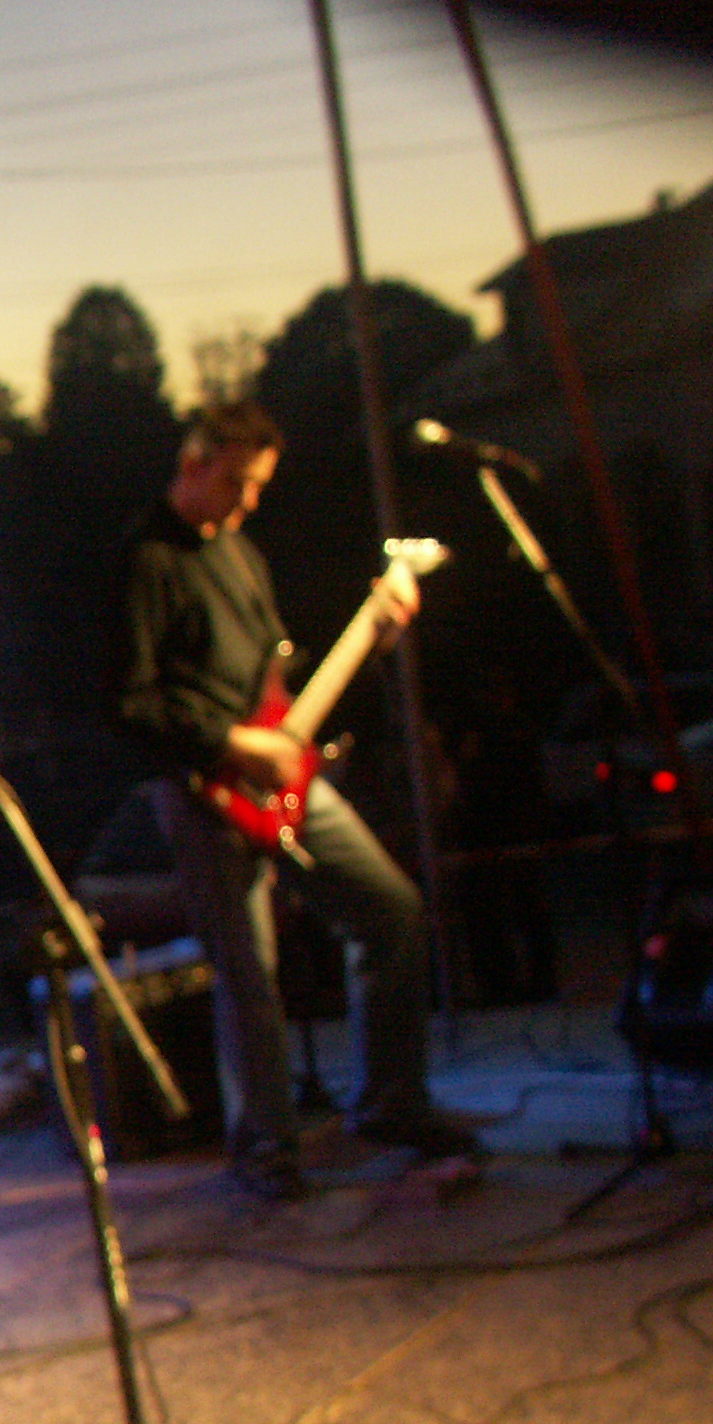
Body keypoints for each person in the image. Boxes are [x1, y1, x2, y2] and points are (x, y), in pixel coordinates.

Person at [112, 398, 482, 1200]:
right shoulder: (146, 561)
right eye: (237, 483)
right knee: (249, 975)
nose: (249, 502)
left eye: (259, 486)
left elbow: (272, 678)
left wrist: (378, 636)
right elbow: (130, 704)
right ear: (193, 464)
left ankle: (390, 1104)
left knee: (391, 912)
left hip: (282, 776)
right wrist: (236, 746)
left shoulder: (240, 553)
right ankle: (265, 1151)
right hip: (206, 790)